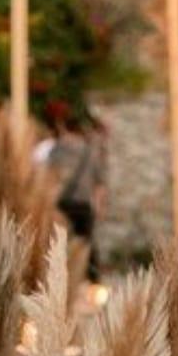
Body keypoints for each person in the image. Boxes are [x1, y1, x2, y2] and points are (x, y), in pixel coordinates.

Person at [44, 118, 108, 282]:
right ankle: (93, 284)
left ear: (65, 127)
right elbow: (99, 185)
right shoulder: (89, 152)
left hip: (60, 206)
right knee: (86, 246)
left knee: (58, 248)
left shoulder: (56, 150)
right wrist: (100, 209)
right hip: (83, 205)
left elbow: (47, 178)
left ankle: (60, 284)